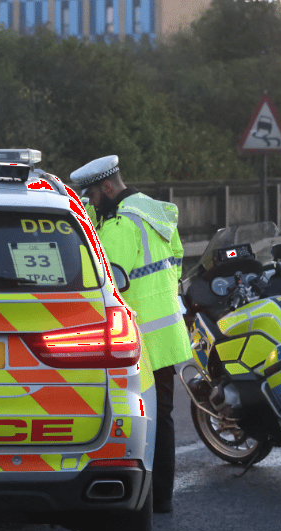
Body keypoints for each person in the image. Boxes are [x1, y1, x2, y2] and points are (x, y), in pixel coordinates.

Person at [70, 155, 192, 513]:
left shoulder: (121, 225)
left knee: (138, 416)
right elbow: (177, 260)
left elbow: (109, 278)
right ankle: (163, 498)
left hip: (139, 336)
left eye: (92, 195)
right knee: (164, 415)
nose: (91, 202)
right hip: (166, 329)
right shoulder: (153, 213)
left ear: (108, 188)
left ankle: (149, 498)